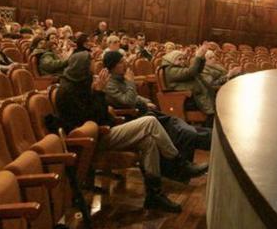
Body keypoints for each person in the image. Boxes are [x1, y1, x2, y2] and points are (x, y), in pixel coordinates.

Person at [50, 51, 201, 213]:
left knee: (148, 141)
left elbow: (99, 114)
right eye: (91, 64)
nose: (95, 67)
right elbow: (90, 119)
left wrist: (99, 95)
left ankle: (154, 195)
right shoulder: (67, 92)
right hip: (93, 139)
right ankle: (179, 163)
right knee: (150, 122)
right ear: (82, 68)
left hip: (104, 130)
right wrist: (99, 93)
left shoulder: (83, 85)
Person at [102, 51, 211, 182]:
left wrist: (144, 101)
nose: (125, 64)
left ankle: (183, 166)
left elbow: (133, 97)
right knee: (182, 130)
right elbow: (127, 100)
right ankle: (182, 166)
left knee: (179, 126)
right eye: (120, 62)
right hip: (131, 118)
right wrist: (131, 83)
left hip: (143, 113)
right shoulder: (109, 83)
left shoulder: (121, 79)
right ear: (112, 66)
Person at [160, 44, 216, 117]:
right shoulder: (171, 70)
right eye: (179, 59)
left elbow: (197, 71)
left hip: (192, 97)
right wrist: (198, 57)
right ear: (171, 60)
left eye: (183, 59)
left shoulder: (177, 68)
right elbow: (191, 72)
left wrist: (202, 58)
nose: (183, 61)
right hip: (185, 100)